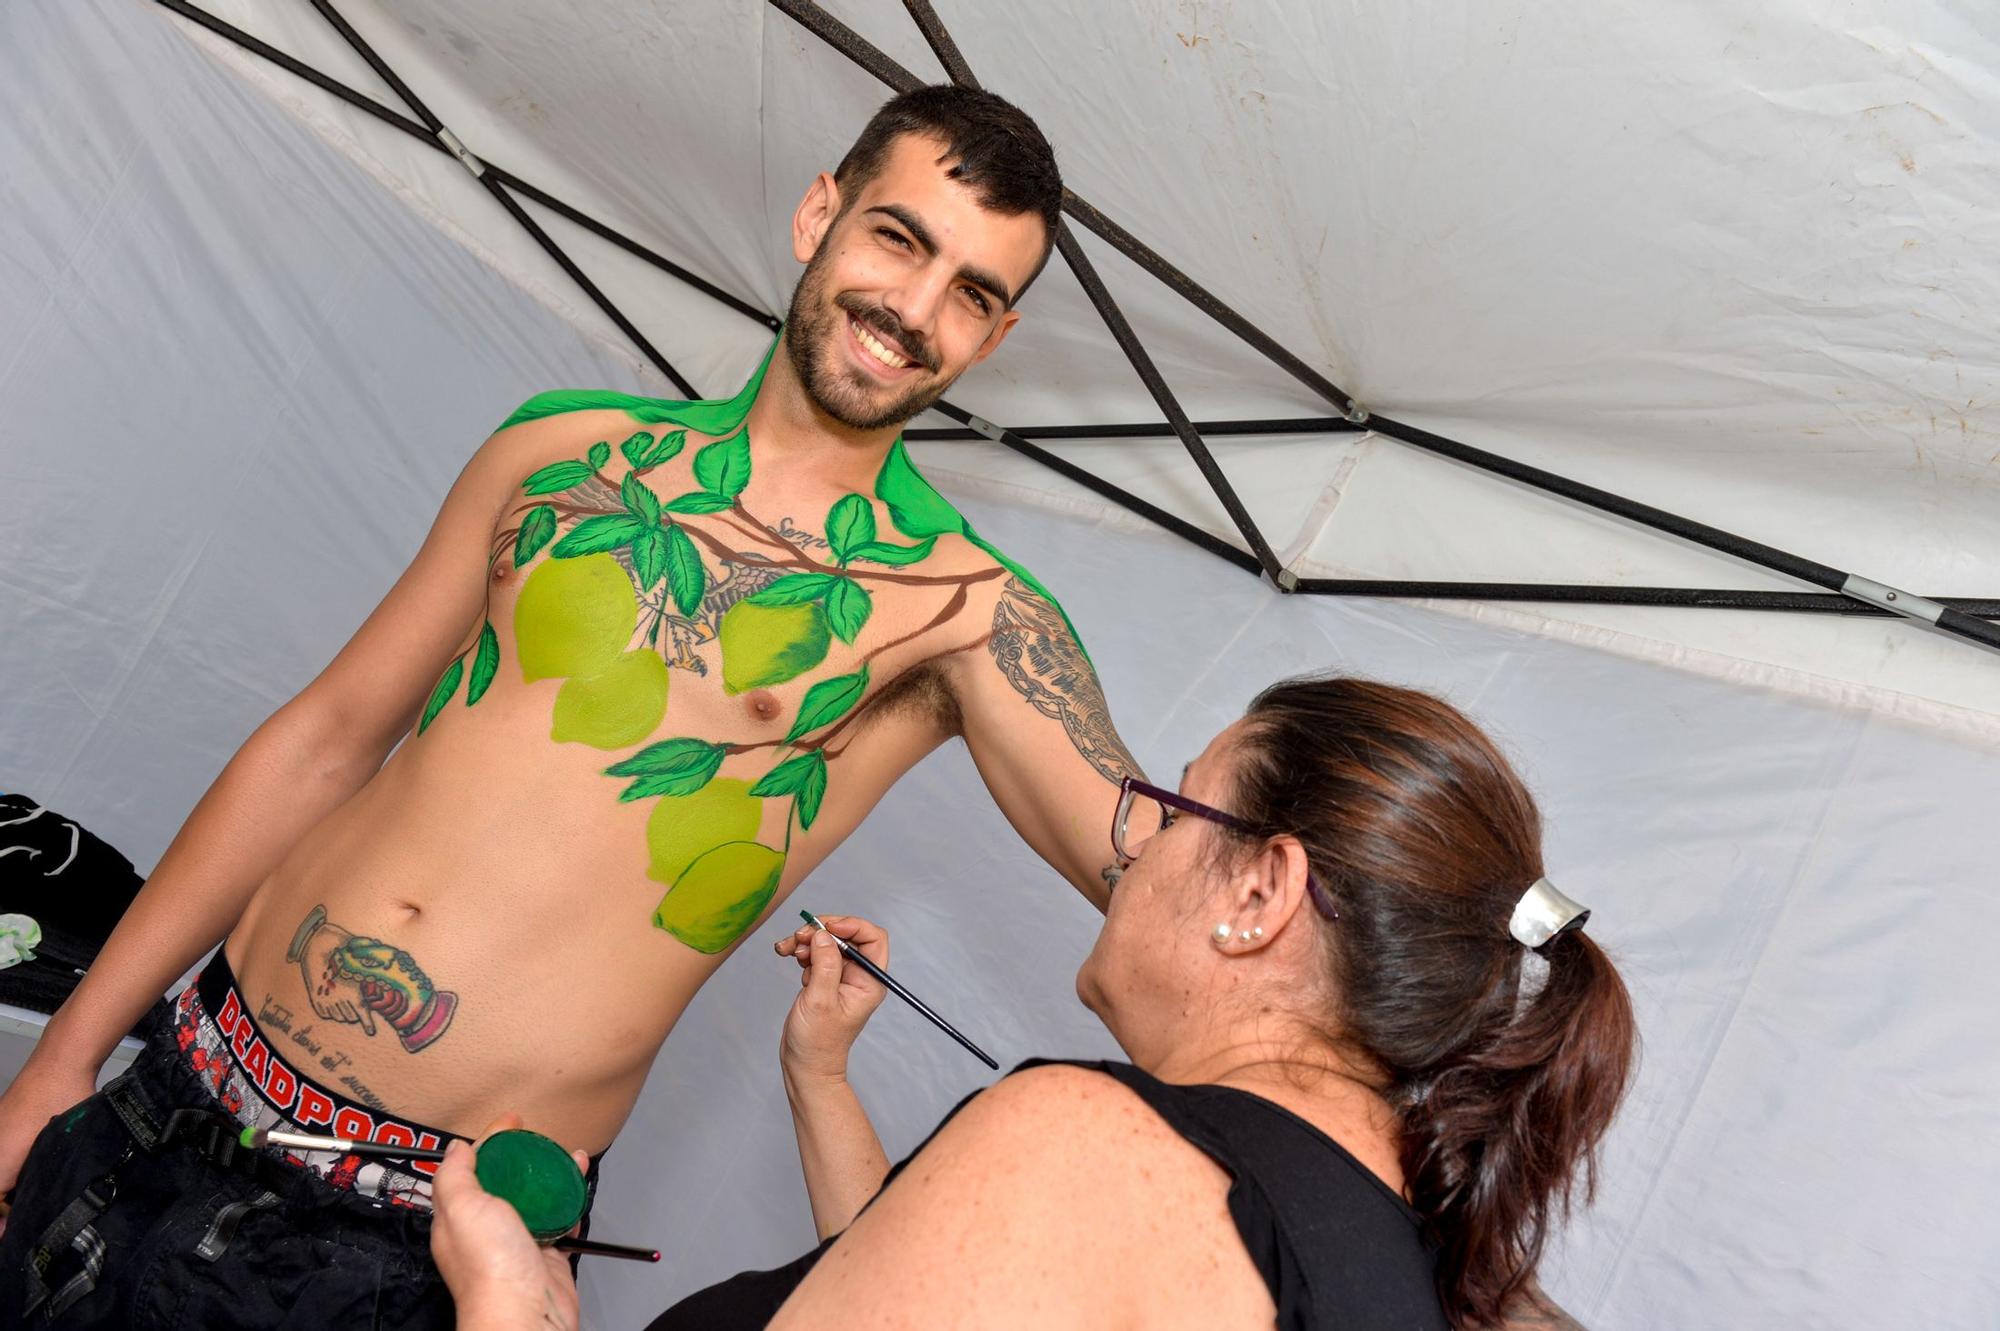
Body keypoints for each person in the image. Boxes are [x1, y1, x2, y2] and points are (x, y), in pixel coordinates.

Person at [0, 85, 1152, 1328]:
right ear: (818, 213)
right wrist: (66, 1053)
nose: (914, 310)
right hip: (175, 1094)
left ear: (995, 336)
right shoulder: (565, 450)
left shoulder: (965, 617)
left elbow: (1177, 897)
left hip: (425, 1236)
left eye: (971, 293)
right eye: (897, 238)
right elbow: (325, 739)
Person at [435, 676, 1638, 1330]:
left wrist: (499, 1311)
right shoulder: (1427, 1264)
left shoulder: (1095, 1145)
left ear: (1260, 892)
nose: (1133, 840)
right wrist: (820, 1074)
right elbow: (959, 1282)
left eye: (1175, 807)